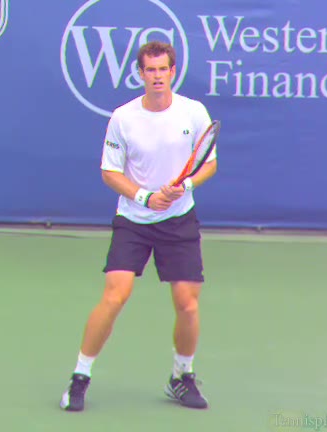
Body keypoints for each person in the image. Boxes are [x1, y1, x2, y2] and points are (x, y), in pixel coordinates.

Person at [59, 40, 218, 412]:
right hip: (134, 220)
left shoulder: (194, 112)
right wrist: (145, 197)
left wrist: (185, 187)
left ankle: (181, 376)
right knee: (115, 295)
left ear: (172, 72)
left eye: (163, 69)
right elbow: (110, 172)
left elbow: (209, 164)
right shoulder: (123, 117)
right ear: (141, 74)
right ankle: (79, 378)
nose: (157, 76)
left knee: (187, 304)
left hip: (179, 219)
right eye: (151, 70)